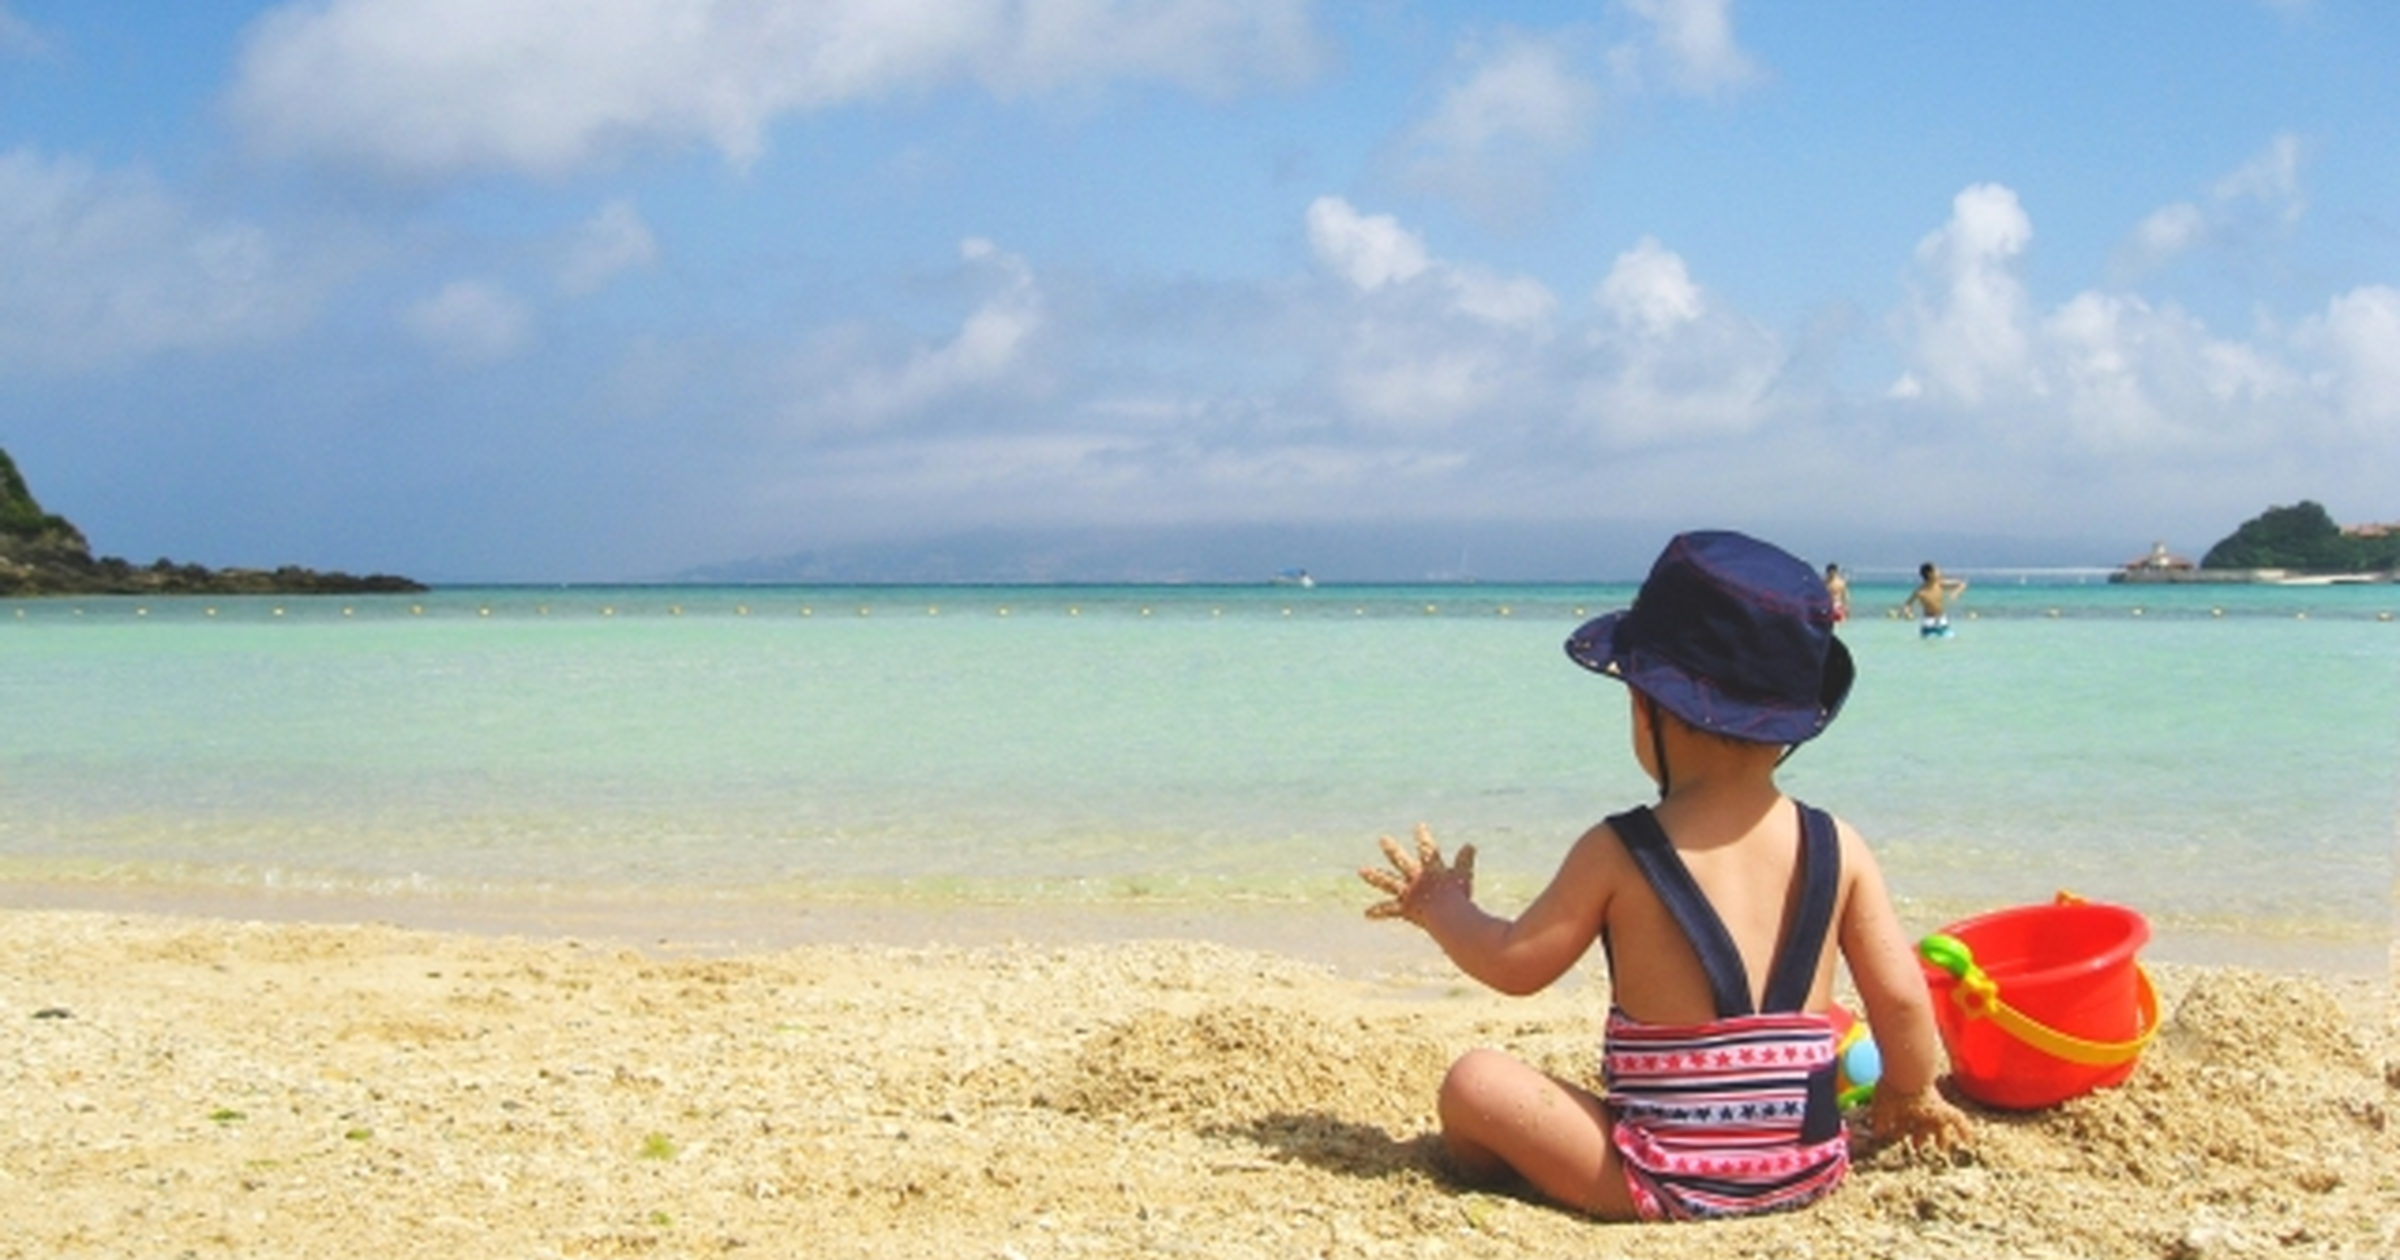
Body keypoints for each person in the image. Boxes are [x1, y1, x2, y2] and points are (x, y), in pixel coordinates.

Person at [1359, 530, 1968, 1222]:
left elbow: (1514, 963)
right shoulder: (1840, 846)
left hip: (1655, 1178)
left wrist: (1440, 906)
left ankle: (1512, 1175)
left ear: (1649, 708)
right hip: (1807, 1168)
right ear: (1790, 724)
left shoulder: (1621, 850)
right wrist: (1910, 1094)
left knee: (1474, 1084)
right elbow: (1902, 1001)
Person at [1901, 562, 1967, 638]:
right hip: (1929, 624)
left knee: (1951, 640)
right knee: (1930, 644)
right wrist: (1907, 612)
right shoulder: (1920, 591)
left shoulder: (1940, 584)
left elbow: (1962, 584)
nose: (1940, 572)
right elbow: (1907, 604)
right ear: (1929, 574)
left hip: (1942, 623)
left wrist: (1956, 593)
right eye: (1936, 571)